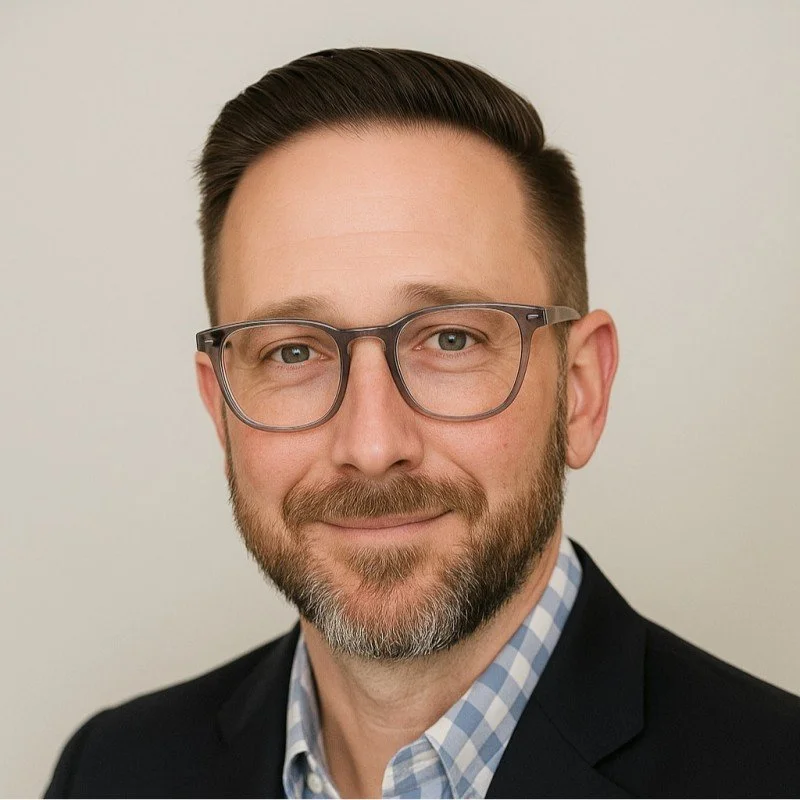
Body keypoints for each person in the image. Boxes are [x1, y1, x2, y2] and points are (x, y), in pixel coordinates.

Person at [45, 47, 800, 799]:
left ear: (579, 390)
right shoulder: (111, 774)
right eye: (294, 351)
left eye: (451, 340)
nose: (372, 446)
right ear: (221, 409)